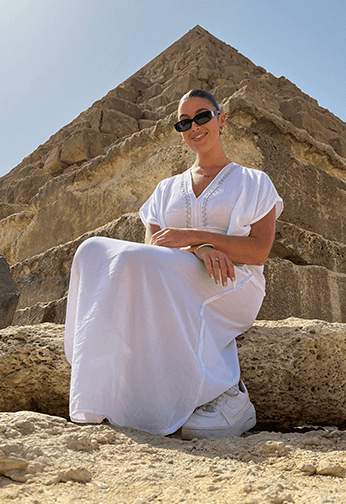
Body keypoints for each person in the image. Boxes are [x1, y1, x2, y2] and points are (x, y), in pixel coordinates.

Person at [64, 89, 283, 439]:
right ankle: (105, 389)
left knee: (139, 263)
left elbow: (258, 252)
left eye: (202, 116)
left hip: (232, 281)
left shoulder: (254, 181)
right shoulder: (165, 189)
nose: (194, 126)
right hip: (179, 272)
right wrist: (200, 247)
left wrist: (192, 237)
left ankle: (228, 395)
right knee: (91, 250)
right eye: (184, 122)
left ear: (221, 119)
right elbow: (156, 248)